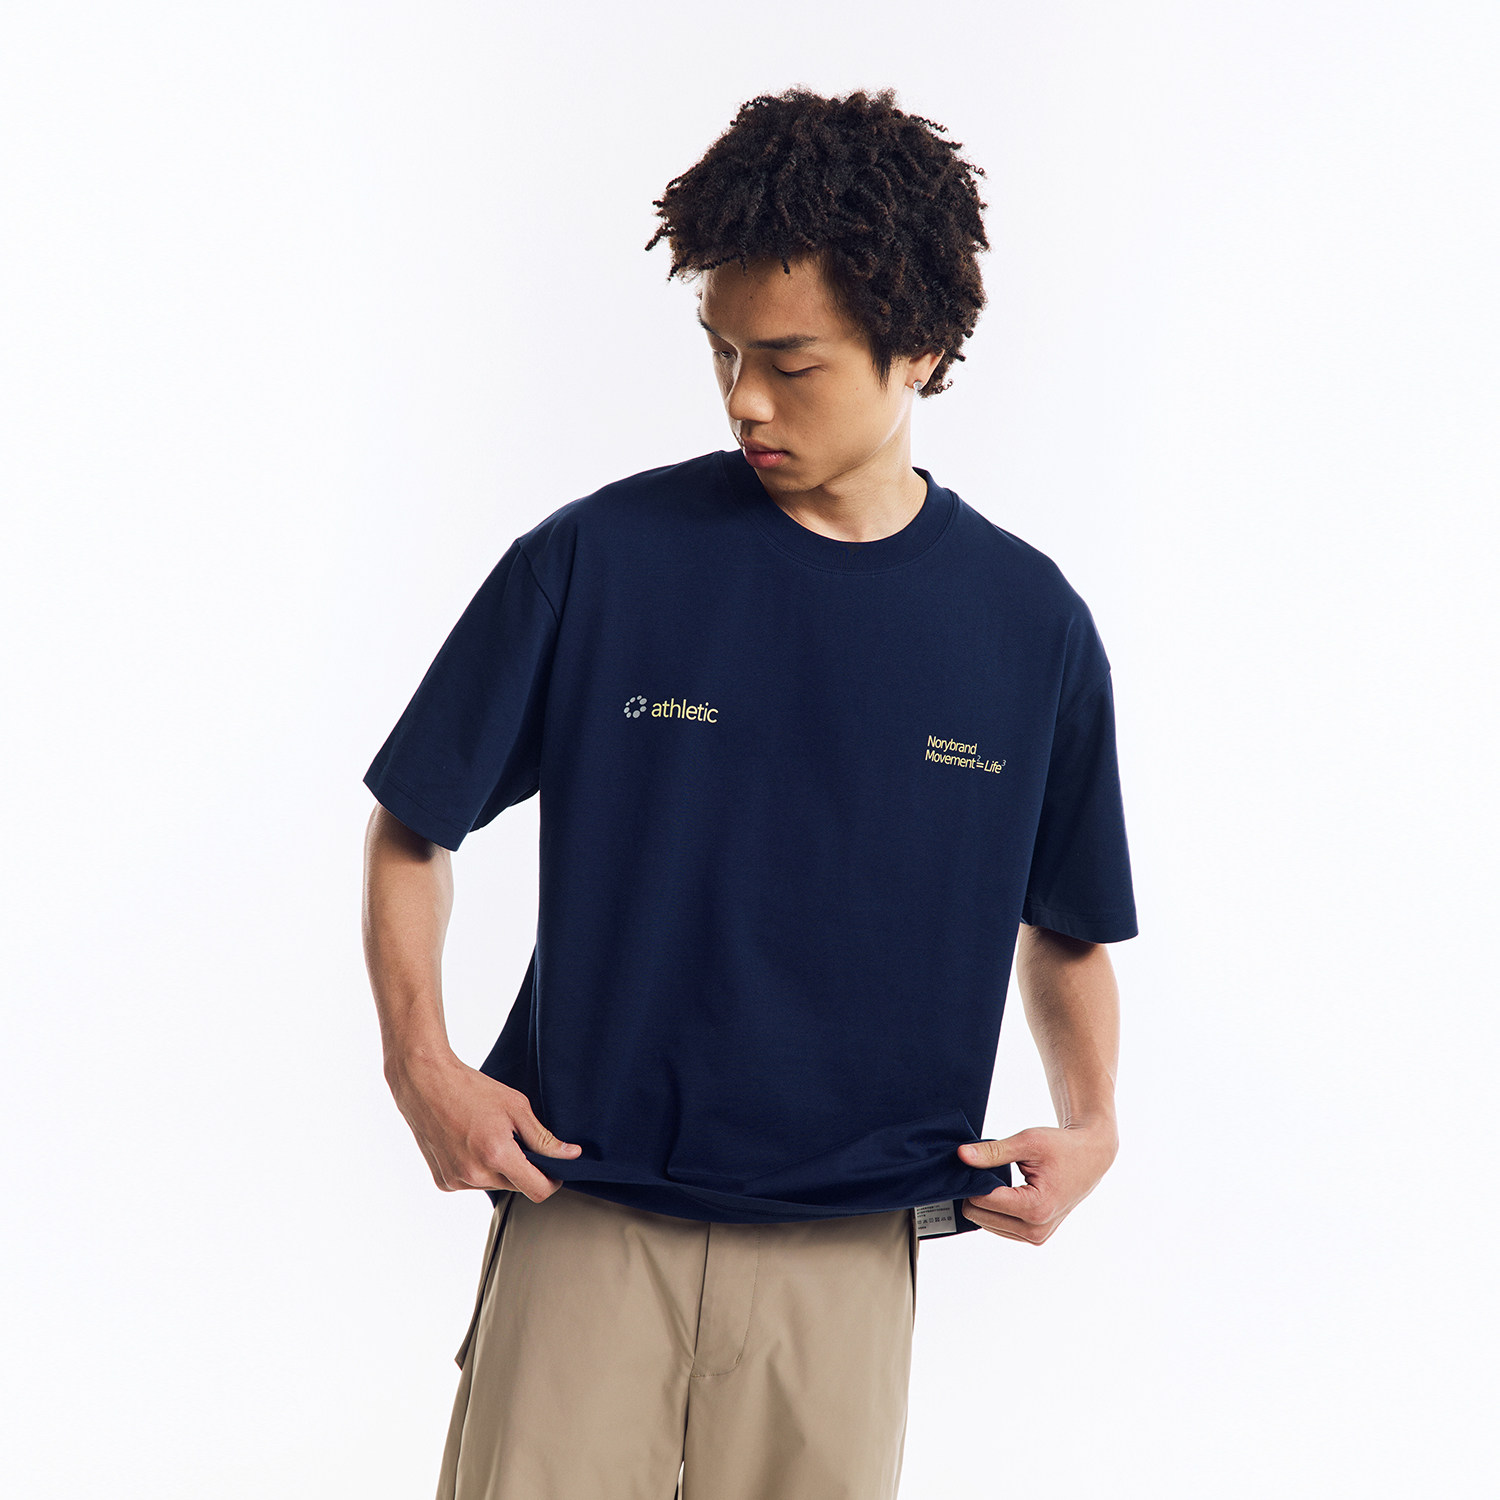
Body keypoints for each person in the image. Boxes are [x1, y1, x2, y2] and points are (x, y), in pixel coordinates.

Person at [360, 85, 1137, 1500]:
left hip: (849, 1256)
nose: (742, 399)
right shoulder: (598, 561)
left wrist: (1092, 1120)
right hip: (586, 1210)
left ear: (920, 349)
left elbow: (1068, 921)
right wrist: (423, 1064)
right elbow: (414, 824)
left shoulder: (1029, 628)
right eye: (721, 350)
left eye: (789, 362)